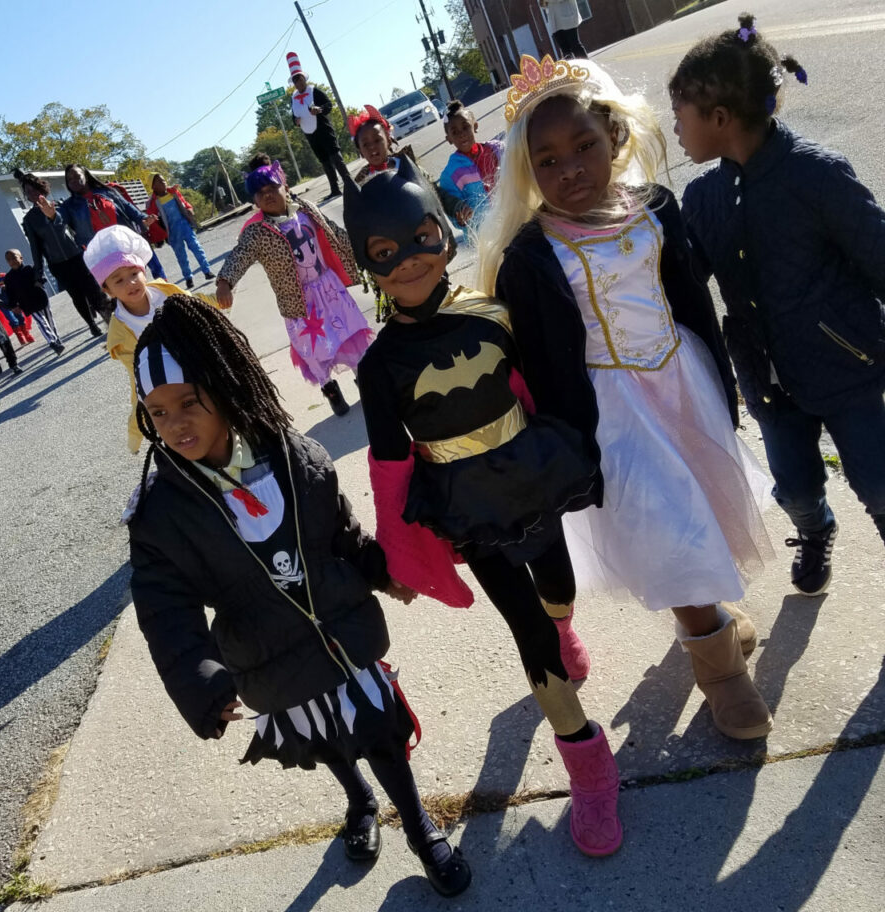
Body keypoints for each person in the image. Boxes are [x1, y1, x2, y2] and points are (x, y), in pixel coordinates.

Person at [126, 294, 472, 897]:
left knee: (381, 731)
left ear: (226, 387)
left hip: (345, 633)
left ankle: (418, 828)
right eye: (157, 413)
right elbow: (163, 608)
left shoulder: (298, 457)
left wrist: (378, 568)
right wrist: (202, 680)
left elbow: (340, 533)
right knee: (325, 737)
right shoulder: (160, 514)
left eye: (189, 403)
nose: (175, 424)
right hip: (266, 654)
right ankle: (358, 800)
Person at [478, 54, 775, 741]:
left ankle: (705, 619)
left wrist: (725, 382)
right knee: (671, 527)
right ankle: (721, 669)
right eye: (548, 160)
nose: (571, 168)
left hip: (682, 382)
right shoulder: (532, 255)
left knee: (704, 514)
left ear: (614, 137)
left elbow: (690, 299)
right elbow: (539, 358)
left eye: (584, 145)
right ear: (529, 171)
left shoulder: (654, 211)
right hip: (615, 416)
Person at [344, 155, 622, 858]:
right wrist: (398, 556)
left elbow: (541, 386)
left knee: (556, 590)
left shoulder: (494, 312)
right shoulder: (379, 368)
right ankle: (588, 765)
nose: (408, 261)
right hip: (468, 511)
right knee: (527, 627)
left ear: (441, 230)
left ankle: (563, 628)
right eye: (384, 252)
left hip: (531, 480)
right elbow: (387, 468)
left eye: (419, 238)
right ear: (366, 265)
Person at [670, 13, 885, 591]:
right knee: (792, 486)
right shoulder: (702, 196)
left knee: (882, 484)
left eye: (679, 118)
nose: (676, 131)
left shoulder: (816, 175)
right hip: (767, 377)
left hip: (849, 367)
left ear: (719, 119)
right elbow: (685, 279)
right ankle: (816, 532)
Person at [215, 157, 372, 417]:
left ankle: (363, 378)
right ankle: (329, 386)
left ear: (284, 187)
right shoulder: (257, 233)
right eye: (260, 193)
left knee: (350, 332)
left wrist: (364, 247)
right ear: (254, 200)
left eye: (272, 188)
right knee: (316, 347)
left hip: (330, 289)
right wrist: (225, 281)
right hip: (299, 302)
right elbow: (239, 255)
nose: (268, 196)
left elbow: (334, 233)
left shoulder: (306, 209)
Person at [83, 224, 218, 454]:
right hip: (167, 379)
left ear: (144, 271)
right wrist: (136, 434)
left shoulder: (165, 292)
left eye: (134, 274)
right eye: (119, 280)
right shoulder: (121, 332)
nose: (130, 283)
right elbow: (138, 384)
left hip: (195, 359)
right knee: (185, 420)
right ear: (107, 290)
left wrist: (220, 299)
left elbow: (196, 304)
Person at [14, 169, 106, 336]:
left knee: (93, 290)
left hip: (78, 256)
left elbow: (76, 228)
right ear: (26, 196)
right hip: (58, 265)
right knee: (77, 296)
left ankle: (108, 318)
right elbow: (36, 248)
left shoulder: (60, 205)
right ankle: (92, 324)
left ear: (42, 189)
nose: (33, 194)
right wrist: (38, 274)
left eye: (35, 189)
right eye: (28, 192)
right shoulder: (30, 220)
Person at [350, 105, 472, 227]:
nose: (372, 147)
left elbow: (436, 192)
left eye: (377, 140)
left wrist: (457, 208)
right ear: (360, 150)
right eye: (366, 144)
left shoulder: (407, 165)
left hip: (428, 232)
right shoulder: (362, 186)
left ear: (388, 139)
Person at [59, 165, 166, 280]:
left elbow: (128, 207)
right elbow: (58, 219)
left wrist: (143, 218)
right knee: (130, 280)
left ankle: (166, 293)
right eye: (69, 179)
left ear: (85, 175)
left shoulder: (107, 191)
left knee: (153, 265)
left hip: (127, 240)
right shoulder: (69, 206)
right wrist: (52, 215)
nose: (73, 181)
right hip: (106, 252)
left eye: (76, 176)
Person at [287, 52, 343, 201]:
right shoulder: (293, 98)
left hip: (323, 129)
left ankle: (349, 184)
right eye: (295, 81)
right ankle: (335, 189)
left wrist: (320, 110)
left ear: (304, 79)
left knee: (335, 157)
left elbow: (329, 105)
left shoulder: (314, 91)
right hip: (310, 134)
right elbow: (293, 116)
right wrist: (296, 121)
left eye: (300, 80)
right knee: (324, 161)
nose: (298, 83)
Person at [439, 101, 505, 228]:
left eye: (465, 127)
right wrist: (460, 219)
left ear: (475, 126)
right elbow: (454, 211)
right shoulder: (451, 175)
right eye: (455, 132)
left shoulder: (497, 151)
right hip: (486, 235)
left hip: (511, 219)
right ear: (449, 139)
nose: (462, 134)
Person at [146, 174, 214, 289]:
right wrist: (160, 236)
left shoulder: (173, 193)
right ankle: (188, 278)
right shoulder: (153, 203)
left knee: (197, 248)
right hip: (172, 233)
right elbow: (153, 222)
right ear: (153, 186)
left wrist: (189, 209)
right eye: (159, 181)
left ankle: (207, 271)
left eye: (163, 179)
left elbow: (185, 203)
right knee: (181, 256)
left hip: (185, 226)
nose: (163, 182)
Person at [2, 249, 64, 355]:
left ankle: (56, 339)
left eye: (14, 258)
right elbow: (10, 294)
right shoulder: (9, 278)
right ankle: (52, 342)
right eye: (9, 260)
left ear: (21, 258)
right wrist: (13, 305)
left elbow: (40, 276)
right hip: (27, 303)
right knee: (41, 322)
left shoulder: (29, 269)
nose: (12, 261)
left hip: (40, 298)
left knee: (49, 320)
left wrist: (40, 281)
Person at [0, 260, 35, 346]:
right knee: (12, 320)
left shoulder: (5, 276)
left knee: (20, 317)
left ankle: (26, 334)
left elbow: (14, 285)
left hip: (14, 301)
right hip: (4, 305)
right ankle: (20, 336)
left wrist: (7, 287)